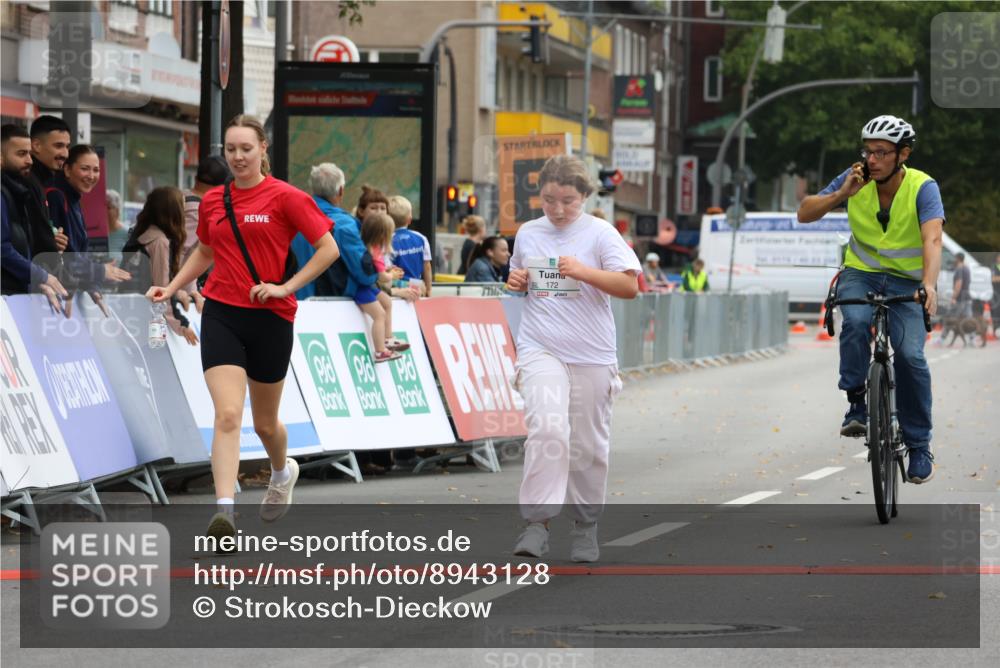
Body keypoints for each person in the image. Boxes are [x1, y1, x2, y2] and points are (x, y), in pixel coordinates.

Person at [145, 115, 339, 543]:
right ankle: (224, 515)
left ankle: (281, 470)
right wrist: (172, 287)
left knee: (267, 424)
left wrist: (285, 286)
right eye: (230, 149)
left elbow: (329, 248)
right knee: (228, 415)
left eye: (245, 149)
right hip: (222, 313)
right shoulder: (215, 200)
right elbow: (207, 251)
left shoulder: (287, 197)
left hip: (272, 315)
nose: (237, 157)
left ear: (263, 149)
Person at [505, 154, 640, 562]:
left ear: (584, 196)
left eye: (567, 200)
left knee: (587, 445)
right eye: (549, 200)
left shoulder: (600, 234)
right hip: (541, 346)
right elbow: (518, 282)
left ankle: (585, 528)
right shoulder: (528, 233)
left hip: (591, 352)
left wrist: (583, 272)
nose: (558, 210)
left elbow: (629, 286)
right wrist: (516, 281)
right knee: (547, 430)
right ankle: (536, 525)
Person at [797, 114, 943, 484]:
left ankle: (918, 444)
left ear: (902, 154)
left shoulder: (923, 188)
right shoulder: (855, 179)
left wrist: (929, 283)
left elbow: (933, 239)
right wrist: (842, 193)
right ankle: (857, 402)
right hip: (860, 273)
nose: (872, 159)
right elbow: (804, 213)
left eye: (882, 152)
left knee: (910, 357)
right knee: (856, 322)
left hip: (907, 282)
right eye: (869, 151)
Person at [46, 144, 130, 289]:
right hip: (59, 293)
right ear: (67, 169)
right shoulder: (57, 197)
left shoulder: (74, 199)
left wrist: (92, 287)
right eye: (85, 169)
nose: (91, 176)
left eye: (96, 170)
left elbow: (79, 256)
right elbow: (64, 258)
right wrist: (99, 271)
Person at [1, 124, 68, 306]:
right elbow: (2, 249)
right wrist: (42, 277)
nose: (30, 160)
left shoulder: (16, 192)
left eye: (29, 153)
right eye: (21, 154)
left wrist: (36, 281)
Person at [122, 186, 198, 345]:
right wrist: (182, 324)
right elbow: (161, 290)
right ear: (173, 212)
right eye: (181, 209)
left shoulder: (141, 234)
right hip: (145, 320)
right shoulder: (159, 242)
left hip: (127, 313)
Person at [357, 212, 409, 363]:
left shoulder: (368, 246)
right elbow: (383, 277)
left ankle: (388, 338)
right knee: (379, 315)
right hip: (363, 289)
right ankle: (380, 351)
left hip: (368, 286)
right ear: (382, 235)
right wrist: (391, 274)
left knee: (386, 301)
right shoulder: (375, 251)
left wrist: (388, 272)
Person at [388, 195, 432, 296]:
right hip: (417, 288)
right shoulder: (421, 238)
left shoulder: (387, 240)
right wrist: (428, 289)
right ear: (410, 219)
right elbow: (427, 266)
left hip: (396, 289)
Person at [105, 189, 129, 260]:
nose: (105, 210)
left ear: (117, 210)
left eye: (108, 207)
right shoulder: (95, 233)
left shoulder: (128, 233)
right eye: (103, 207)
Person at [951, 252, 972, 319]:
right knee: (967, 319)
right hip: (967, 296)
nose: (954, 260)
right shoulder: (967, 268)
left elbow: (958, 284)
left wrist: (954, 297)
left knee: (955, 318)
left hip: (960, 297)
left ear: (958, 259)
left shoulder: (959, 269)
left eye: (955, 258)